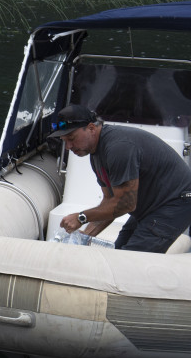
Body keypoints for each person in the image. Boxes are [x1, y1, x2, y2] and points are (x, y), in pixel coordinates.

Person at [50, 104, 191, 252]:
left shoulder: (118, 147)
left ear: (91, 128)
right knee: (118, 253)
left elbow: (125, 204)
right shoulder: (95, 154)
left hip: (176, 201)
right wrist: (84, 236)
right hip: (150, 206)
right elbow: (110, 201)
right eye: (64, 140)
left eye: (71, 138)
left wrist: (81, 217)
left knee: (130, 260)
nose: (68, 146)